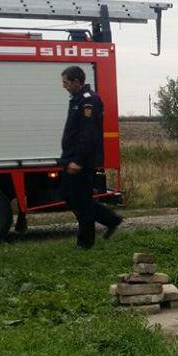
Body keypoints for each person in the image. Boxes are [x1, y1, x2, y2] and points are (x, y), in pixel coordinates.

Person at [60, 65, 122, 249]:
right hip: (70, 157)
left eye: (65, 82)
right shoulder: (77, 99)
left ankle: (85, 243)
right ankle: (111, 219)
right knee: (70, 197)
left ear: (76, 81)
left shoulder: (89, 101)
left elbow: (88, 134)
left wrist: (78, 161)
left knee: (82, 201)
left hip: (81, 162)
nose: (63, 86)